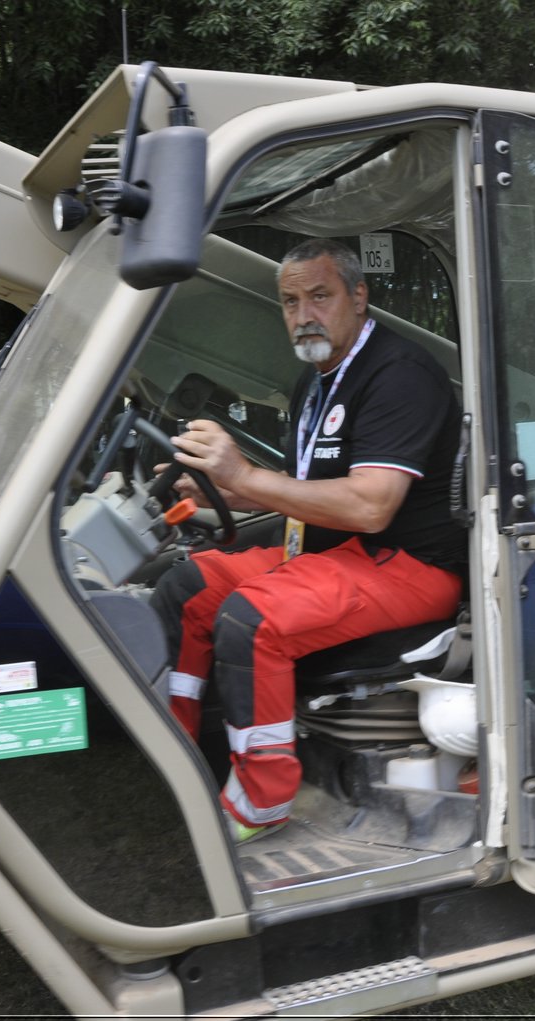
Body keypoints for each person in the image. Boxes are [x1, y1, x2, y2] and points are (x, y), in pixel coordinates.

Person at [150, 238, 466, 843]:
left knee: (249, 619)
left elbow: (372, 506)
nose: (303, 315)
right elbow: (308, 490)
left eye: (320, 296)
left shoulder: (400, 374)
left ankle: (258, 807)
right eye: (290, 302)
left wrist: (247, 476)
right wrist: (234, 490)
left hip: (406, 564)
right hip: (331, 554)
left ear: (358, 296)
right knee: (186, 587)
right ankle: (178, 760)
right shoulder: (314, 383)